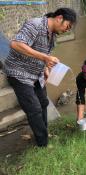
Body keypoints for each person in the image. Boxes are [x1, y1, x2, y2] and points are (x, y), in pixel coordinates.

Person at [3, 8, 77, 147]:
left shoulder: (53, 36)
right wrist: (45, 57)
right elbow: (16, 44)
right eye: (68, 26)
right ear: (59, 18)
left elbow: (44, 55)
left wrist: (46, 67)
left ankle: (43, 131)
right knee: (34, 109)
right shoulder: (35, 25)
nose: (67, 30)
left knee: (43, 102)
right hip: (19, 73)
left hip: (37, 74)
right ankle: (43, 144)